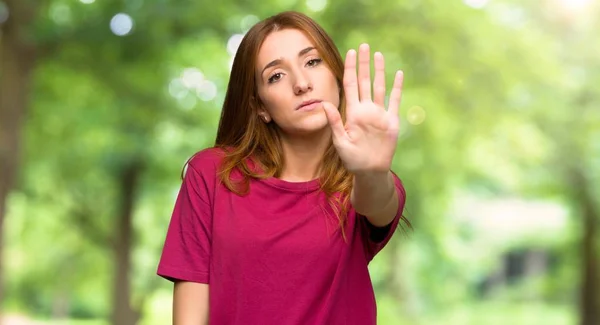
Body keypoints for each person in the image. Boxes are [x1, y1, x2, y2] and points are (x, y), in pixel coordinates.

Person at [157, 10, 409, 325]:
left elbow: (378, 202)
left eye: (313, 62)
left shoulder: (367, 181)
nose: (302, 83)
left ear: (336, 76)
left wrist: (371, 172)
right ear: (260, 107)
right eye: (276, 75)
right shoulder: (210, 173)